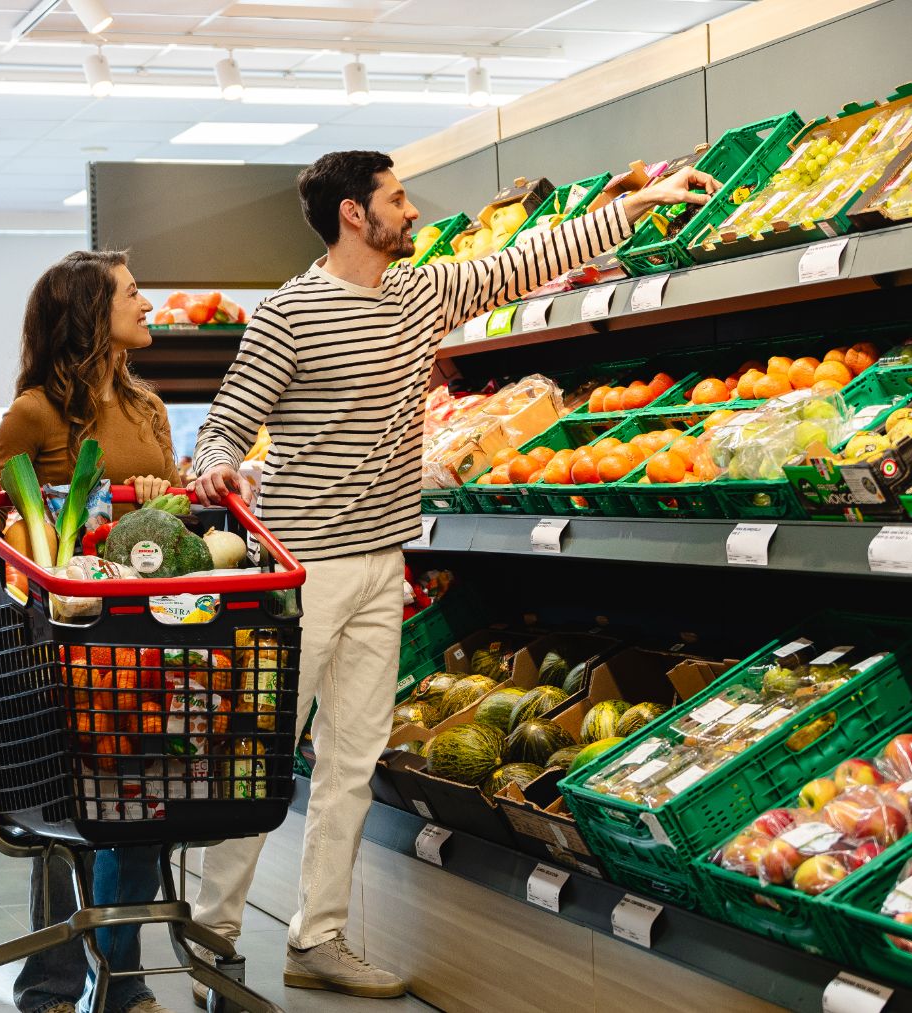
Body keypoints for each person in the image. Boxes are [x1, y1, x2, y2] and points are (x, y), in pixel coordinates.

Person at [188, 151, 719, 1000]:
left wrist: (633, 205)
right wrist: (219, 468)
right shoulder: (288, 315)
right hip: (298, 571)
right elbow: (221, 429)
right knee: (260, 757)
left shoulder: (420, 292)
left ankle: (316, 936)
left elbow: (523, 261)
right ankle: (210, 933)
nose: (411, 211)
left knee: (352, 762)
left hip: (380, 562)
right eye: (396, 199)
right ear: (354, 215)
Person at [0, 249, 180, 1013]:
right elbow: (10, 528)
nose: (146, 302)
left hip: (145, 639)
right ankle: (50, 979)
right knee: (64, 808)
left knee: (146, 797)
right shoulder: (34, 412)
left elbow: (173, 524)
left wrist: (163, 495)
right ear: (91, 312)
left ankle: (120, 973)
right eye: (131, 291)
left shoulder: (150, 406)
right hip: (59, 642)